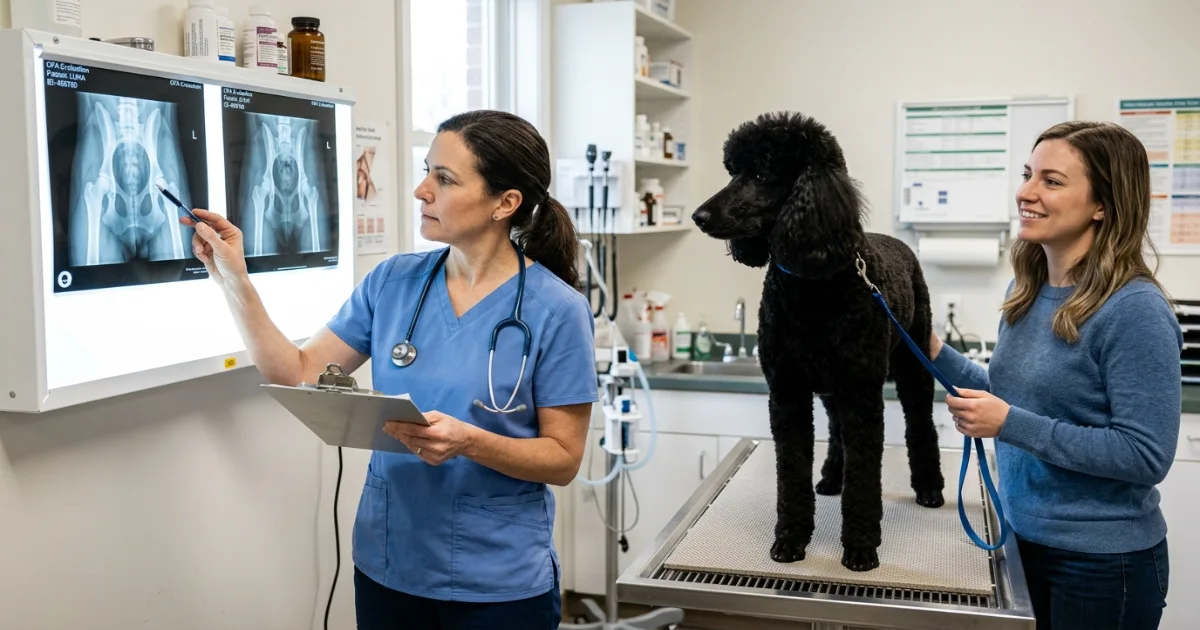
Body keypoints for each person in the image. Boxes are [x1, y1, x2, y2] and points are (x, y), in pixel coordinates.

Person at [185, 110, 598, 629]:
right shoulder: (393, 283)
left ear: (505, 202)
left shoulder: (556, 310)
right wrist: (234, 278)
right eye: (427, 171)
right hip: (390, 564)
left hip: (498, 581)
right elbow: (299, 371)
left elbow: (562, 460)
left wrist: (471, 441)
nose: (421, 190)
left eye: (444, 179)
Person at [929, 121, 1183, 630]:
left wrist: (1010, 424)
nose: (1026, 192)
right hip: (1023, 542)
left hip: (1101, 566)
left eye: (1052, 180)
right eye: (1027, 175)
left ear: (1103, 205)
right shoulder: (1026, 293)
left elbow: (1145, 454)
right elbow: (1011, 395)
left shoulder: (1134, 309)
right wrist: (929, 347)